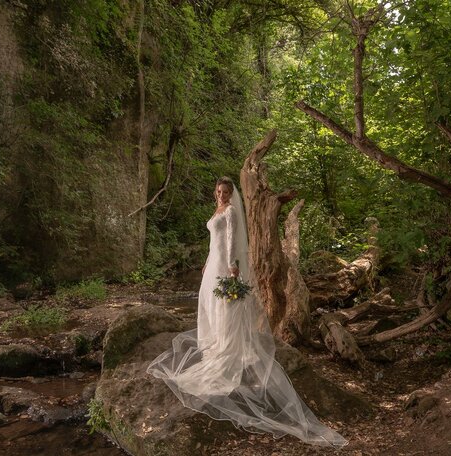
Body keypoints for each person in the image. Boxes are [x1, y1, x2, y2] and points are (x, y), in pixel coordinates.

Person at [147, 176, 348, 448]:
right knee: (210, 306)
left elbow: (231, 239)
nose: (222, 195)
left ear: (232, 193)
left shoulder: (230, 211)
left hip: (226, 266)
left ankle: (226, 349)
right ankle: (214, 345)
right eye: (219, 191)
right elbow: (214, 240)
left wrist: (232, 267)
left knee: (225, 307)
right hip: (213, 264)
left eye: (226, 191)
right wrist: (207, 263)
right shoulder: (217, 209)